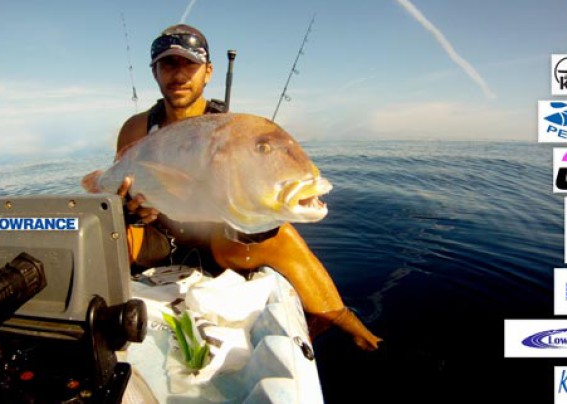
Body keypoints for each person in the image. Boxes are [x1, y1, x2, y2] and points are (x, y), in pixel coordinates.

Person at [87, 24, 382, 351]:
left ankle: (338, 315)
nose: (179, 75)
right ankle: (91, 319)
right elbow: (123, 191)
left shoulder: (229, 130)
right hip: (155, 232)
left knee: (281, 234)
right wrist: (130, 209)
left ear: (208, 71)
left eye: (190, 64)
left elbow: (245, 197)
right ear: (155, 72)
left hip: (213, 236)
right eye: (168, 64)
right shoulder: (137, 128)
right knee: (103, 235)